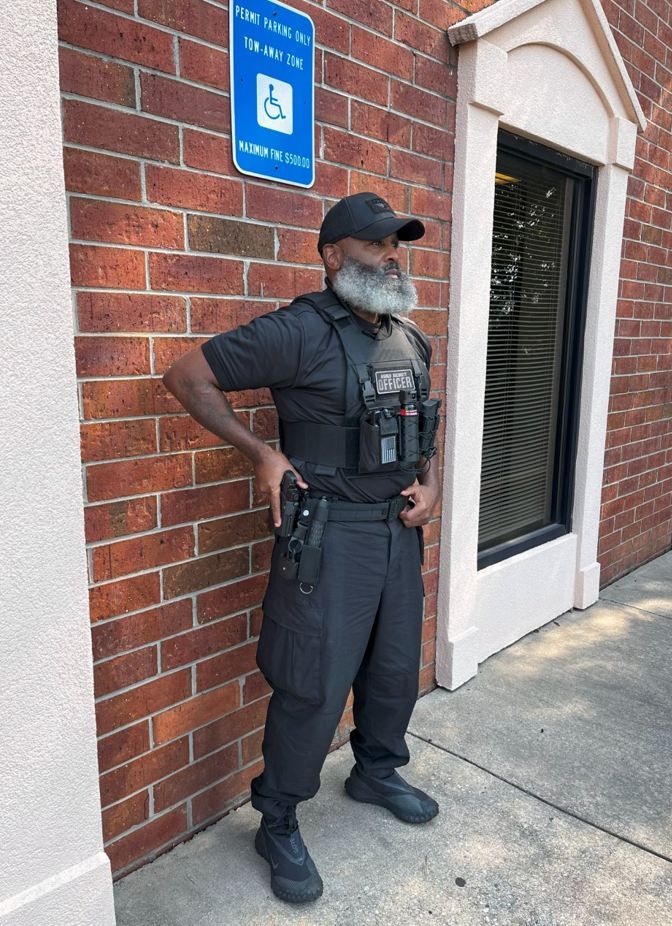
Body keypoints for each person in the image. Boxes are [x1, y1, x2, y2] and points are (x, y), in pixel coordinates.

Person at [163, 191, 441, 904]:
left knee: (393, 666)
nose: (391, 255)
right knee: (311, 682)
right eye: (377, 244)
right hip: (329, 536)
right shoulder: (299, 332)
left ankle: (376, 769)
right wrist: (262, 453)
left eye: (398, 245)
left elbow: (421, 425)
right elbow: (186, 375)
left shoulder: (411, 339)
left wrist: (431, 484)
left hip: (396, 532)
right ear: (331, 256)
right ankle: (277, 818)